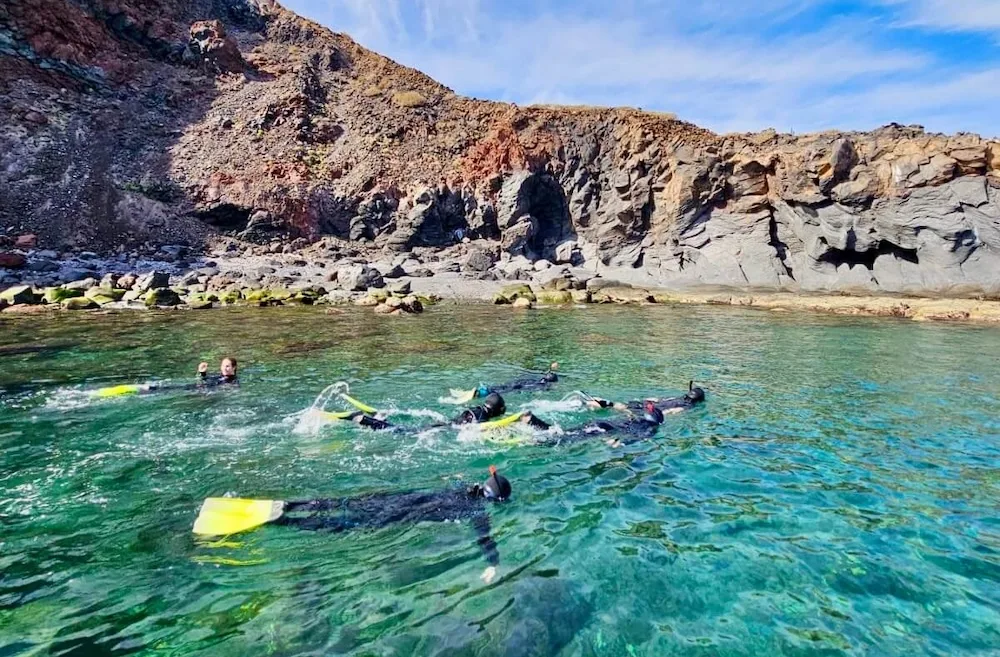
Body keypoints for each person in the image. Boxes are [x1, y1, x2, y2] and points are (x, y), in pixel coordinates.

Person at [192, 466, 513, 583]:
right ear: (495, 500)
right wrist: (493, 566)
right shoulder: (477, 511)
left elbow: (451, 477)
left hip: (395, 497)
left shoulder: (463, 486)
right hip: (398, 515)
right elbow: (485, 541)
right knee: (348, 524)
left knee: (348, 504)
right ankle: (284, 521)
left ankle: (292, 505)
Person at [516, 401, 665, 448]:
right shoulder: (650, 428)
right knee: (567, 438)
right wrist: (620, 443)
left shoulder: (637, 418)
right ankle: (537, 441)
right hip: (603, 429)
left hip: (600, 423)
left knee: (565, 432)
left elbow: (628, 415)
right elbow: (640, 437)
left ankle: (533, 422)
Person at [583, 381, 705, 415]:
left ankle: (591, 401)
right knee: (620, 409)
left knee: (617, 405)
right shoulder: (688, 406)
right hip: (649, 411)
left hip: (645, 404)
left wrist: (642, 401)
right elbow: (671, 411)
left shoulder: (675, 397)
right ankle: (595, 403)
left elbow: (656, 399)